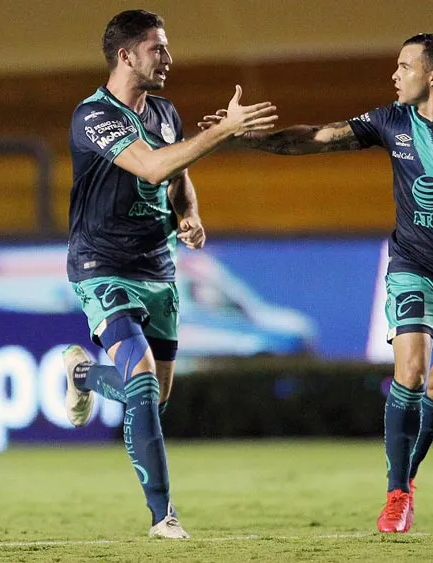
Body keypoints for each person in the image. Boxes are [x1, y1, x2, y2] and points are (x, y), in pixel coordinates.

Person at [200, 33, 433, 533]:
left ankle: (409, 473)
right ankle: (397, 493)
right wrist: (241, 137)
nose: (393, 74)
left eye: (404, 66)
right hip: (411, 265)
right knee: (410, 368)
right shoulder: (389, 120)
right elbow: (316, 137)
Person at [62, 9, 277, 540]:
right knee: (139, 386)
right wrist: (226, 130)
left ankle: (83, 375)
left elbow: (176, 176)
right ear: (126, 55)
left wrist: (189, 214)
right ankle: (164, 517)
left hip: (157, 266)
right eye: (158, 48)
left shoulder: (164, 112)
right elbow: (152, 166)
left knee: (154, 397)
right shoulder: (94, 115)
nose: (169, 58)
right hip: (102, 264)